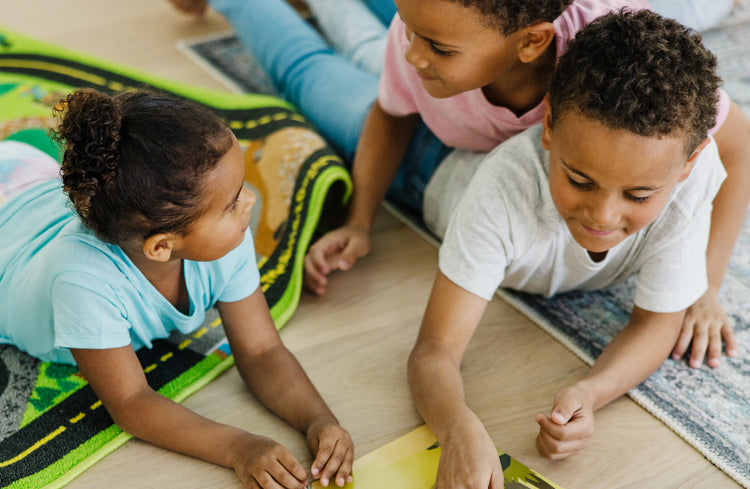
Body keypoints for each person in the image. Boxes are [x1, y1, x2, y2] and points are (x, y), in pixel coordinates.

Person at [168, 0, 749, 373]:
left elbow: (736, 147)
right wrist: (360, 221)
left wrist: (705, 285)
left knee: (373, 47)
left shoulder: (616, 65)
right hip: (433, 121)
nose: (414, 51)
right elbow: (391, 110)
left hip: (462, 114)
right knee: (321, 72)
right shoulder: (420, 45)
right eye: (418, 33)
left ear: (533, 42)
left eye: (436, 44)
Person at [408, 10, 728, 489]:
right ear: (549, 125)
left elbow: (655, 324)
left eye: (639, 195)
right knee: (320, 80)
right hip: (430, 171)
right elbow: (434, 351)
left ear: (688, 165)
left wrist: (590, 392)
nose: (602, 217)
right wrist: (458, 427)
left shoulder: (694, 179)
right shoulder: (503, 187)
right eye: (579, 181)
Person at [0, 89, 354, 489]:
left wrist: (319, 421)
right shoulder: (81, 279)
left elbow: (261, 350)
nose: (250, 203)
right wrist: (239, 448)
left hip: (27, 179)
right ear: (161, 247)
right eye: (232, 203)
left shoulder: (222, 241)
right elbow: (131, 402)